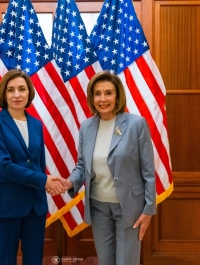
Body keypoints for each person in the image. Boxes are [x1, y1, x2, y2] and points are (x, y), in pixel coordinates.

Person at [48, 71, 156, 265]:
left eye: (108, 93)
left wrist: (149, 209)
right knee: (105, 261)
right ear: (92, 98)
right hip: (98, 207)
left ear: (117, 96)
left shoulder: (136, 124)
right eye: (97, 93)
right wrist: (70, 182)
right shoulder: (87, 127)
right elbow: (82, 165)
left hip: (130, 207)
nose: (103, 99)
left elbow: (148, 170)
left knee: (126, 261)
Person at [0, 69, 64, 265]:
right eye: (11, 90)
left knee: (34, 261)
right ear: (3, 94)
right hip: (5, 206)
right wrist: (44, 181)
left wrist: (47, 182)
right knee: (5, 261)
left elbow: (37, 163)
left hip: (34, 207)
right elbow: (3, 165)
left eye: (21, 89)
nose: (17, 94)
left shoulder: (36, 124)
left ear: (29, 92)